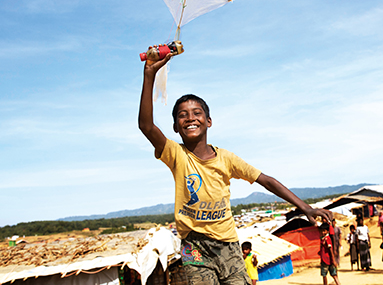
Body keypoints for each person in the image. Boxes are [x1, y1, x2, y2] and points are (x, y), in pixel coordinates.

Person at [138, 54, 332, 285]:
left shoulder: (226, 159)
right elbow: (146, 126)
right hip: (195, 247)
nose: (190, 118)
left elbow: (266, 180)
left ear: (209, 121)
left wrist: (306, 208)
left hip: (229, 246)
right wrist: (149, 74)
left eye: (197, 113)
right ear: (175, 127)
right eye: (182, 115)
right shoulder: (176, 154)